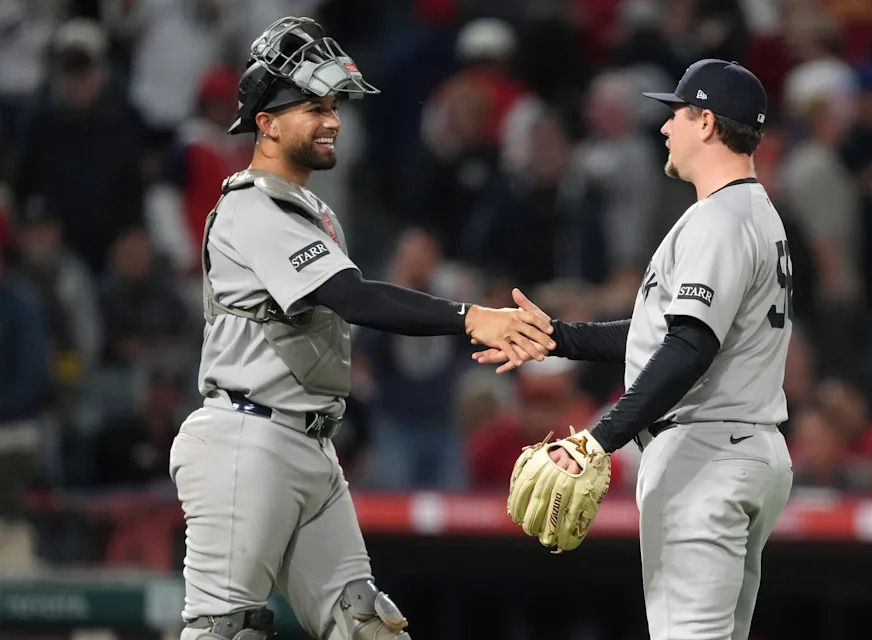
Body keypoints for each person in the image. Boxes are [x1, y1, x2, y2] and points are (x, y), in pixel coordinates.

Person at [169, 17, 555, 640]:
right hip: (247, 438)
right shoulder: (252, 206)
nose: (332, 119)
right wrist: (471, 317)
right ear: (265, 122)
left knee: (367, 628)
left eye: (333, 106)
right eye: (312, 106)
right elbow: (352, 296)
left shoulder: (313, 210)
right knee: (224, 631)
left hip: (310, 444)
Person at [477, 59, 795, 640]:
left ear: (706, 123)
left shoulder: (718, 220)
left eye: (675, 113)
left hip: (705, 453)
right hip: (747, 448)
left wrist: (596, 442)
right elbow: (669, 331)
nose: (664, 128)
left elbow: (690, 346)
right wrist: (559, 337)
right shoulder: (754, 215)